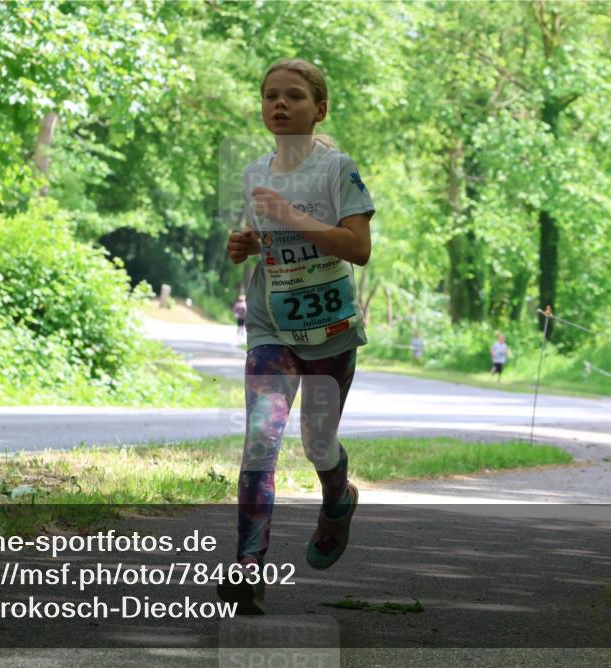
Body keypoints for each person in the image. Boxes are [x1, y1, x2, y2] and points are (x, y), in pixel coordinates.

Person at [222, 57, 374, 614]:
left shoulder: (339, 171)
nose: (279, 105)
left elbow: (357, 247)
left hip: (330, 331)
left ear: (319, 108)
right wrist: (245, 244)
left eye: (293, 96)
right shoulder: (253, 173)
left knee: (316, 444)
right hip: (271, 326)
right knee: (261, 443)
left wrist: (288, 214)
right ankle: (248, 569)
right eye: (269, 96)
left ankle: (339, 499)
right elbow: (266, 238)